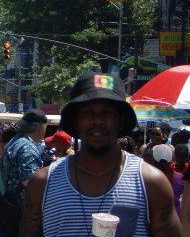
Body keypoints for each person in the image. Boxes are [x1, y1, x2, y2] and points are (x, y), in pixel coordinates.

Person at [21, 73, 180, 237]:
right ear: (76, 121)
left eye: (107, 113)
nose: (97, 120)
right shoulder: (42, 184)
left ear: (121, 121)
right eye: (88, 113)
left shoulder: (152, 183)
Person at [1, 109, 47, 211]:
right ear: (40, 128)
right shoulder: (28, 147)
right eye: (45, 127)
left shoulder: (14, 141)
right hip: (23, 211)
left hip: (10, 205)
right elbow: (31, 182)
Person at [151, 144, 183, 217]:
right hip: (176, 221)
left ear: (153, 160)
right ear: (171, 158)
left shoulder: (148, 179)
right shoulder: (180, 178)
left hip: (155, 222)